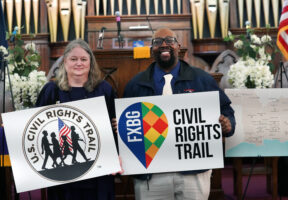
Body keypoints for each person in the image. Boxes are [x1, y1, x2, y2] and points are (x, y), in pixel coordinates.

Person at [122, 27, 236, 200]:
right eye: (158, 42)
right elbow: (128, 127)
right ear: (151, 48)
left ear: (178, 46)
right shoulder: (135, 85)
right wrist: (121, 125)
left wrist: (227, 123)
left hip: (193, 172)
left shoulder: (202, 79)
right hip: (151, 174)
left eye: (170, 40)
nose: (164, 45)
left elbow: (226, 111)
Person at [36, 39, 117, 200]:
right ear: (65, 62)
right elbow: (35, 127)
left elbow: (116, 125)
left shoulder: (105, 89)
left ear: (90, 63)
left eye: (83, 59)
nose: (78, 63)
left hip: (98, 174)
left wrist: (118, 126)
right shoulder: (51, 90)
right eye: (73, 59)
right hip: (62, 175)